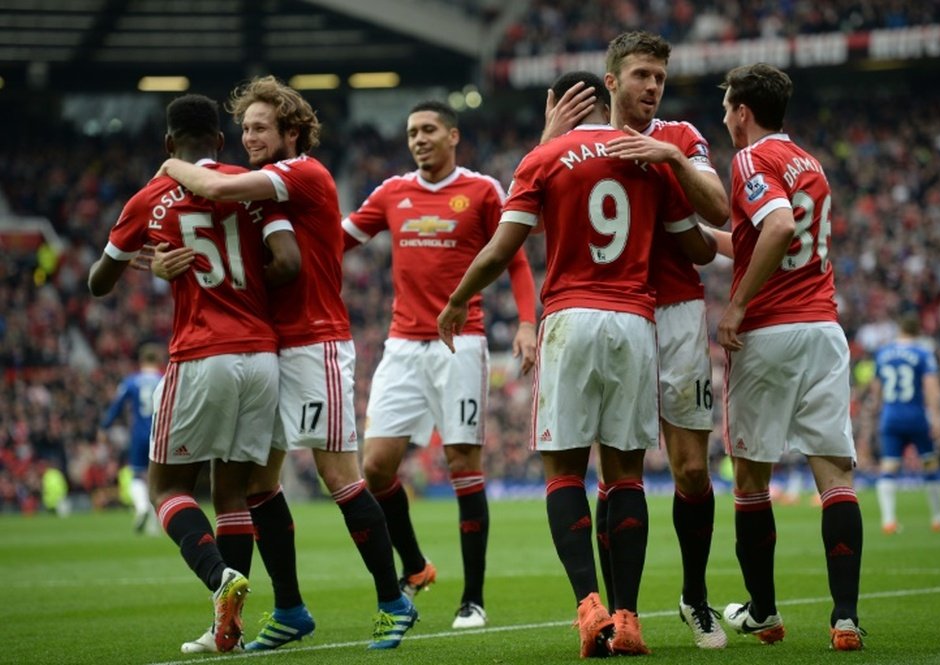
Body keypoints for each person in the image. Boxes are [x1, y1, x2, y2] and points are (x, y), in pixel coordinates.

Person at [439, 70, 698, 658]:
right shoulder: (647, 155)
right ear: (604, 96)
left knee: (564, 473)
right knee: (625, 476)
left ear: (556, 104)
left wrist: (458, 299)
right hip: (635, 320)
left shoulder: (545, 157)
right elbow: (699, 247)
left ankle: (589, 607)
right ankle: (629, 618)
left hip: (571, 318)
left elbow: (503, 248)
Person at [156, 75, 417, 651]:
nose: (249, 136)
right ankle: (292, 609)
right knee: (257, 483)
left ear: (292, 132)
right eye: (244, 128)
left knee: (338, 476)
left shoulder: (302, 173)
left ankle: (393, 599)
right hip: (268, 346)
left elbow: (209, 186)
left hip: (315, 341)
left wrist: (170, 165)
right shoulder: (261, 192)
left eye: (260, 127)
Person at [88, 93, 300, 653]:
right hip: (263, 357)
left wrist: (157, 261)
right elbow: (288, 262)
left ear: (167, 145)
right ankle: (226, 628)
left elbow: (97, 282)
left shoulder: (150, 199)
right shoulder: (256, 187)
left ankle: (217, 577)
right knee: (231, 493)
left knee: (165, 486)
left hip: (202, 352)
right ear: (222, 142)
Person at [542, 30, 730, 649]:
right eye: (643, 75)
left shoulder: (680, 136)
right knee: (613, 465)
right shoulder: (576, 148)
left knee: (693, 470)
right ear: (614, 81)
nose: (653, 86)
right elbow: (540, 209)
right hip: (607, 312)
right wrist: (548, 142)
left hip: (673, 313)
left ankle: (695, 597)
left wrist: (670, 159)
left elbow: (719, 212)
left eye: (660, 77)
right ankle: (618, 611)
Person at [342, 100, 538, 629]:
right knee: (376, 467)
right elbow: (339, 241)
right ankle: (415, 565)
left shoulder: (481, 190)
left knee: (462, 467)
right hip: (402, 345)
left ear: (453, 135)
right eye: (411, 132)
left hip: (462, 343)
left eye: (428, 129)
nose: (418, 139)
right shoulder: (390, 192)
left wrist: (525, 322)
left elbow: (514, 257)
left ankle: (472, 599)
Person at [715, 63, 864, 651]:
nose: (726, 119)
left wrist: (735, 308)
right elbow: (773, 234)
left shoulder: (751, 159)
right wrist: (711, 238)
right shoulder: (810, 163)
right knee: (835, 477)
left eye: (728, 108)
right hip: (822, 329)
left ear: (743, 112)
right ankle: (845, 619)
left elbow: (775, 228)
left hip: (771, 331)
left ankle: (765, 613)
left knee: (751, 478)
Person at [873, 312, 940, 534]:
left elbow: (876, 388)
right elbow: (931, 386)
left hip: (890, 415)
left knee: (889, 465)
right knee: (930, 463)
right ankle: (939, 518)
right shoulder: (923, 352)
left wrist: (879, 410)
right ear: (917, 331)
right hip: (916, 415)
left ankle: (889, 521)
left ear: (900, 329)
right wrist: (937, 418)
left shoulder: (883, 353)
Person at [100, 342, 164, 534]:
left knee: (138, 475)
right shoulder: (165, 379)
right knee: (159, 478)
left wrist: (104, 427)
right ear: (158, 360)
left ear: (141, 360)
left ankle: (142, 507)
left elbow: (117, 405)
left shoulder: (131, 381)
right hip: (161, 435)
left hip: (138, 434)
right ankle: (156, 522)